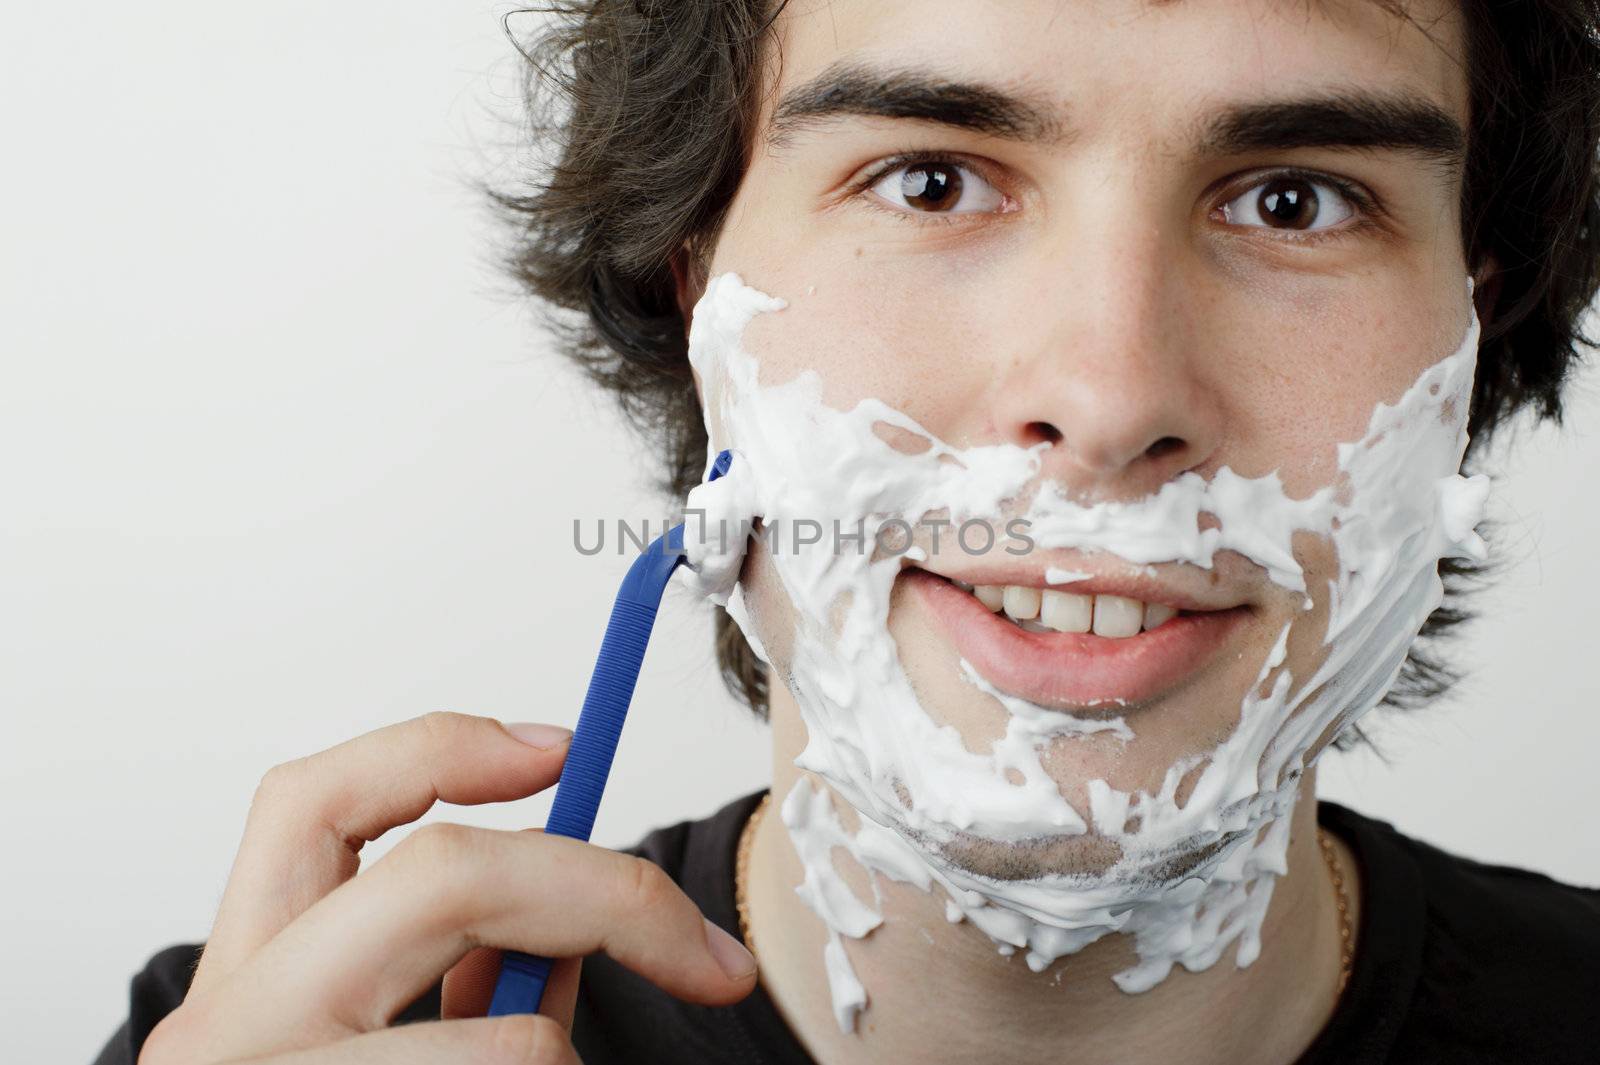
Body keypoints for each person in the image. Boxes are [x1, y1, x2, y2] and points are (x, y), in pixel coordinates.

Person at [97, 2, 1600, 1063]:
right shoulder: (290, 1035)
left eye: (1293, 199)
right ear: (695, 281)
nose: (1111, 392)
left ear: (1476, 328)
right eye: (932, 177)